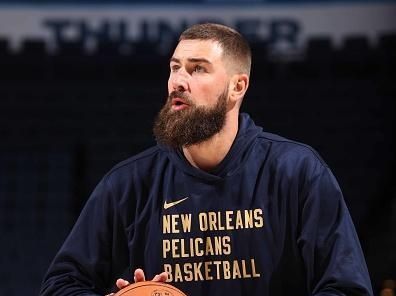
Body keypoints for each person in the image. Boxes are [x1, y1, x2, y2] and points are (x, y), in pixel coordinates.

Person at [40, 23, 373, 296]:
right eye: (175, 68)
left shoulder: (297, 172)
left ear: (237, 86)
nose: (178, 82)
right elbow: (60, 285)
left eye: (198, 69)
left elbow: (346, 287)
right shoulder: (130, 183)